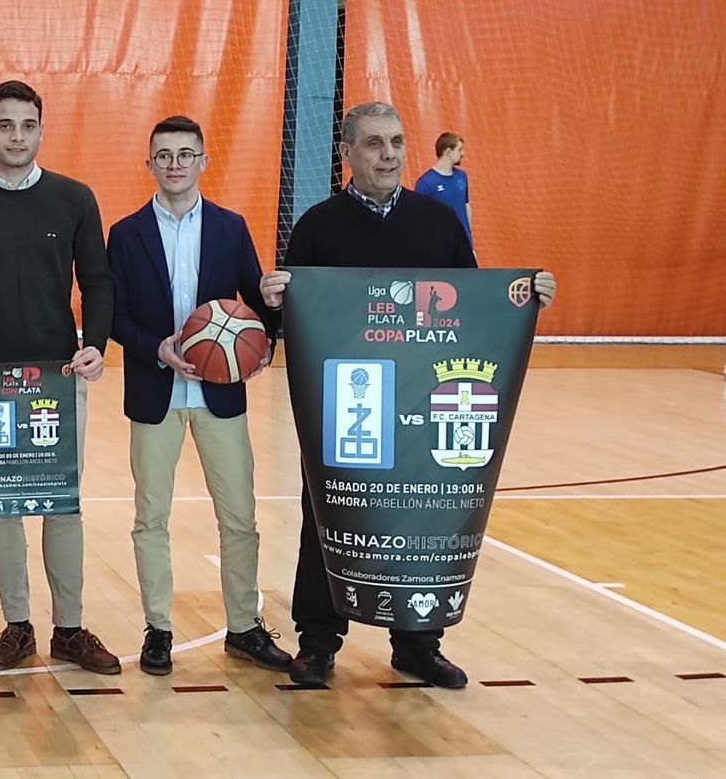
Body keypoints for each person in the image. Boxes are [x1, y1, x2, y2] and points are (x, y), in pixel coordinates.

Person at [260, 102, 555, 689]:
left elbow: (473, 303)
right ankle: (317, 644)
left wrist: (527, 294)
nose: (388, 154)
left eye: (395, 141)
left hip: (423, 404)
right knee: (327, 515)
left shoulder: (438, 222)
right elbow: (294, 322)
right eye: (373, 143)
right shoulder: (317, 227)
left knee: (426, 513)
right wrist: (275, 298)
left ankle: (418, 643)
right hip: (349, 408)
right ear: (347, 154)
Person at [0, 80, 120, 674]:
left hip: (60, 375)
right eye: (5, 125)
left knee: (63, 504)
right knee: (3, 502)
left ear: (40, 130)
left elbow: (100, 281)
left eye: (27, 125)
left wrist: (97, 345)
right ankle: (17, 625)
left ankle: (70, 627)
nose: (16, 136)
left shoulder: (74, 199)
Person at [105, 115, 293, 676]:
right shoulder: (125, 232)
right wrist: (154, 347)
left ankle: (244, 628)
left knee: (240, 517)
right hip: (156, 392)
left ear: (203, 162)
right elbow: (114, 317)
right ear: (150, 165)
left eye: (185, 155)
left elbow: (258, 313)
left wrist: (262, 341)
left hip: (220, 397)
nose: (174, 165)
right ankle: (157, 629)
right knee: (150, 518)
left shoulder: (232, 229)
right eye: (163, 156)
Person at [413, 131, 472, 244]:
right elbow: (420, 221)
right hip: (441, 246)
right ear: (448, 152)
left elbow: (466, 207)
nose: (463, 153)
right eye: (459, 150)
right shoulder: (426, 183)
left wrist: (469, 242)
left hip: (463, 245)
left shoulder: (462, 177)